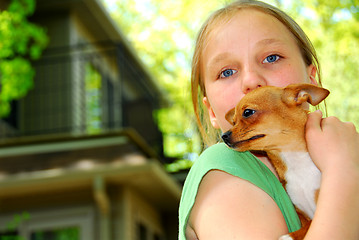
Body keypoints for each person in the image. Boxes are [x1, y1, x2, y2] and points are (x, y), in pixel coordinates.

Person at [178, 0, 359, 239]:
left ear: (310, 82)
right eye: (227, 72)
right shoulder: (224, 167)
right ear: (212, 111)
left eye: (272, 58)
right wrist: (344, 169)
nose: (251, 80)